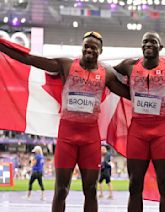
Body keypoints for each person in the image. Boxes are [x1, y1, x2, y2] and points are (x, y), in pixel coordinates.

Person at [0, 31, 130, 212]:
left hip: (90, 139)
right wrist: (3, 47)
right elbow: (29, 59)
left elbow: (129, 93)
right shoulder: (66, 65)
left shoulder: (105, 74)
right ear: (82, 47)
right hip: (66, 137)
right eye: (86, 46)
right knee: (61, 190)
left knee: (91, 190)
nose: (89, 50)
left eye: (94, 47)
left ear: (100, 50)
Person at [113, 31, 165, 212]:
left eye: (153, 42)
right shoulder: (129, 65)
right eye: (145, 42)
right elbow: (104, 72)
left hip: (161, 132)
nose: (148, 45)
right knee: (134, 185)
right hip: (137, 132)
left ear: (161, 47)